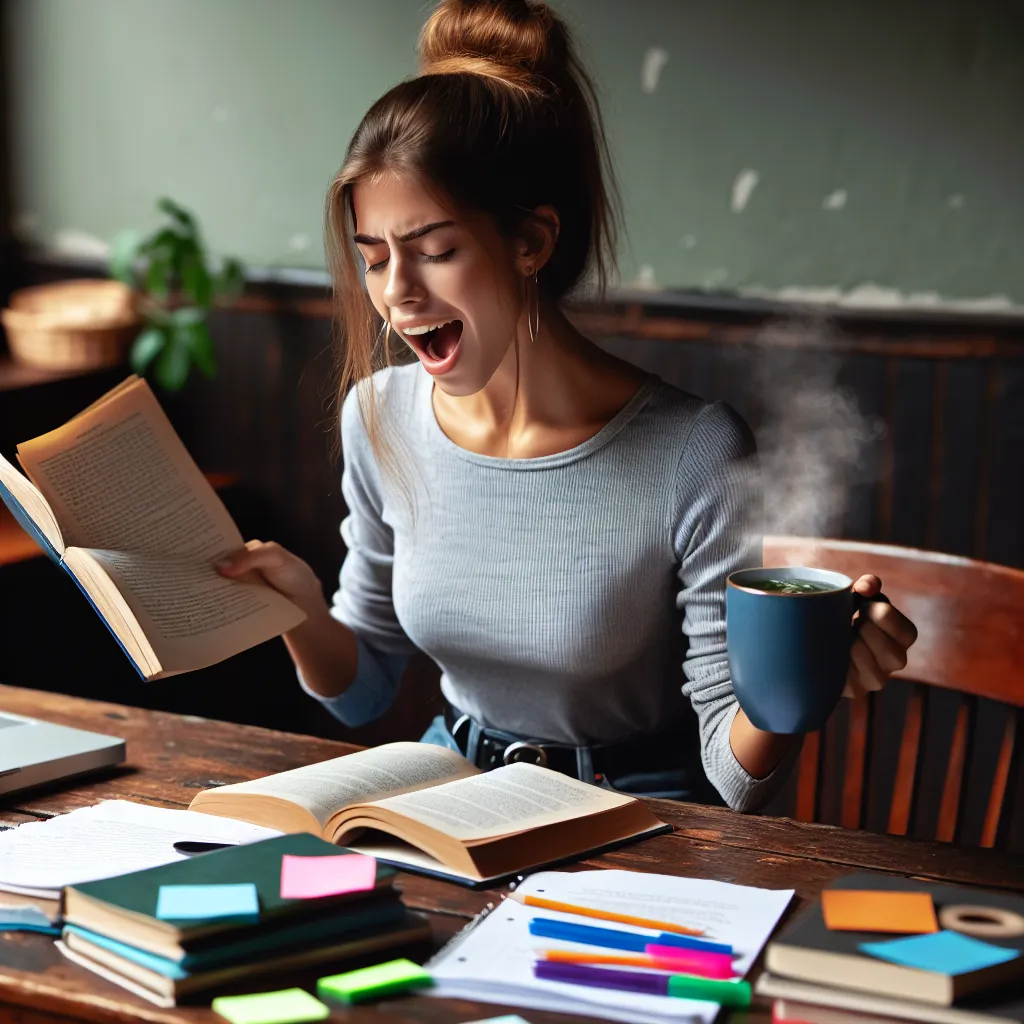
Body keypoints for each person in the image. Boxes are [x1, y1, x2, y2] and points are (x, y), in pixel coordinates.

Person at [217, 0, 917, 811]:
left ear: (532, 243)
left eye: (436, 252)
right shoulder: (378, 417)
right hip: (450, 795)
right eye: (374, 260)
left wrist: (799, 683)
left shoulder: (695, 451)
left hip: (636, 816)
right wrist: (299, 609)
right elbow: (363, 688)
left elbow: (733, 777)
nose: (397, 295)